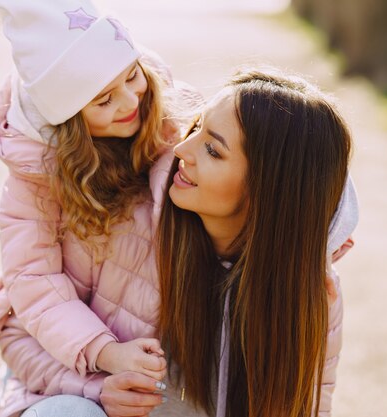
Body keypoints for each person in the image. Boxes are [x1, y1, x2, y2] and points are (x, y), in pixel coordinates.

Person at [0, 0, 194, 416]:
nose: (131, 101)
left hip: (153, 361)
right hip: (62, 355)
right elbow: (34, 282)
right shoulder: (35, 178)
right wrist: (106, 355)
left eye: (133, 75)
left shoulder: (172, 122)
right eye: (104, 99)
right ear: (69, 117)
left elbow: (251, 160)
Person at [100, 68, 358, 417]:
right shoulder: (128, 224)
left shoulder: (311, 290)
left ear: (268, 193)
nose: (181, 149)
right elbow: (23, 325)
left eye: (212, 150)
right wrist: (94, 388)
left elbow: (309, 408)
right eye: (196, 128)